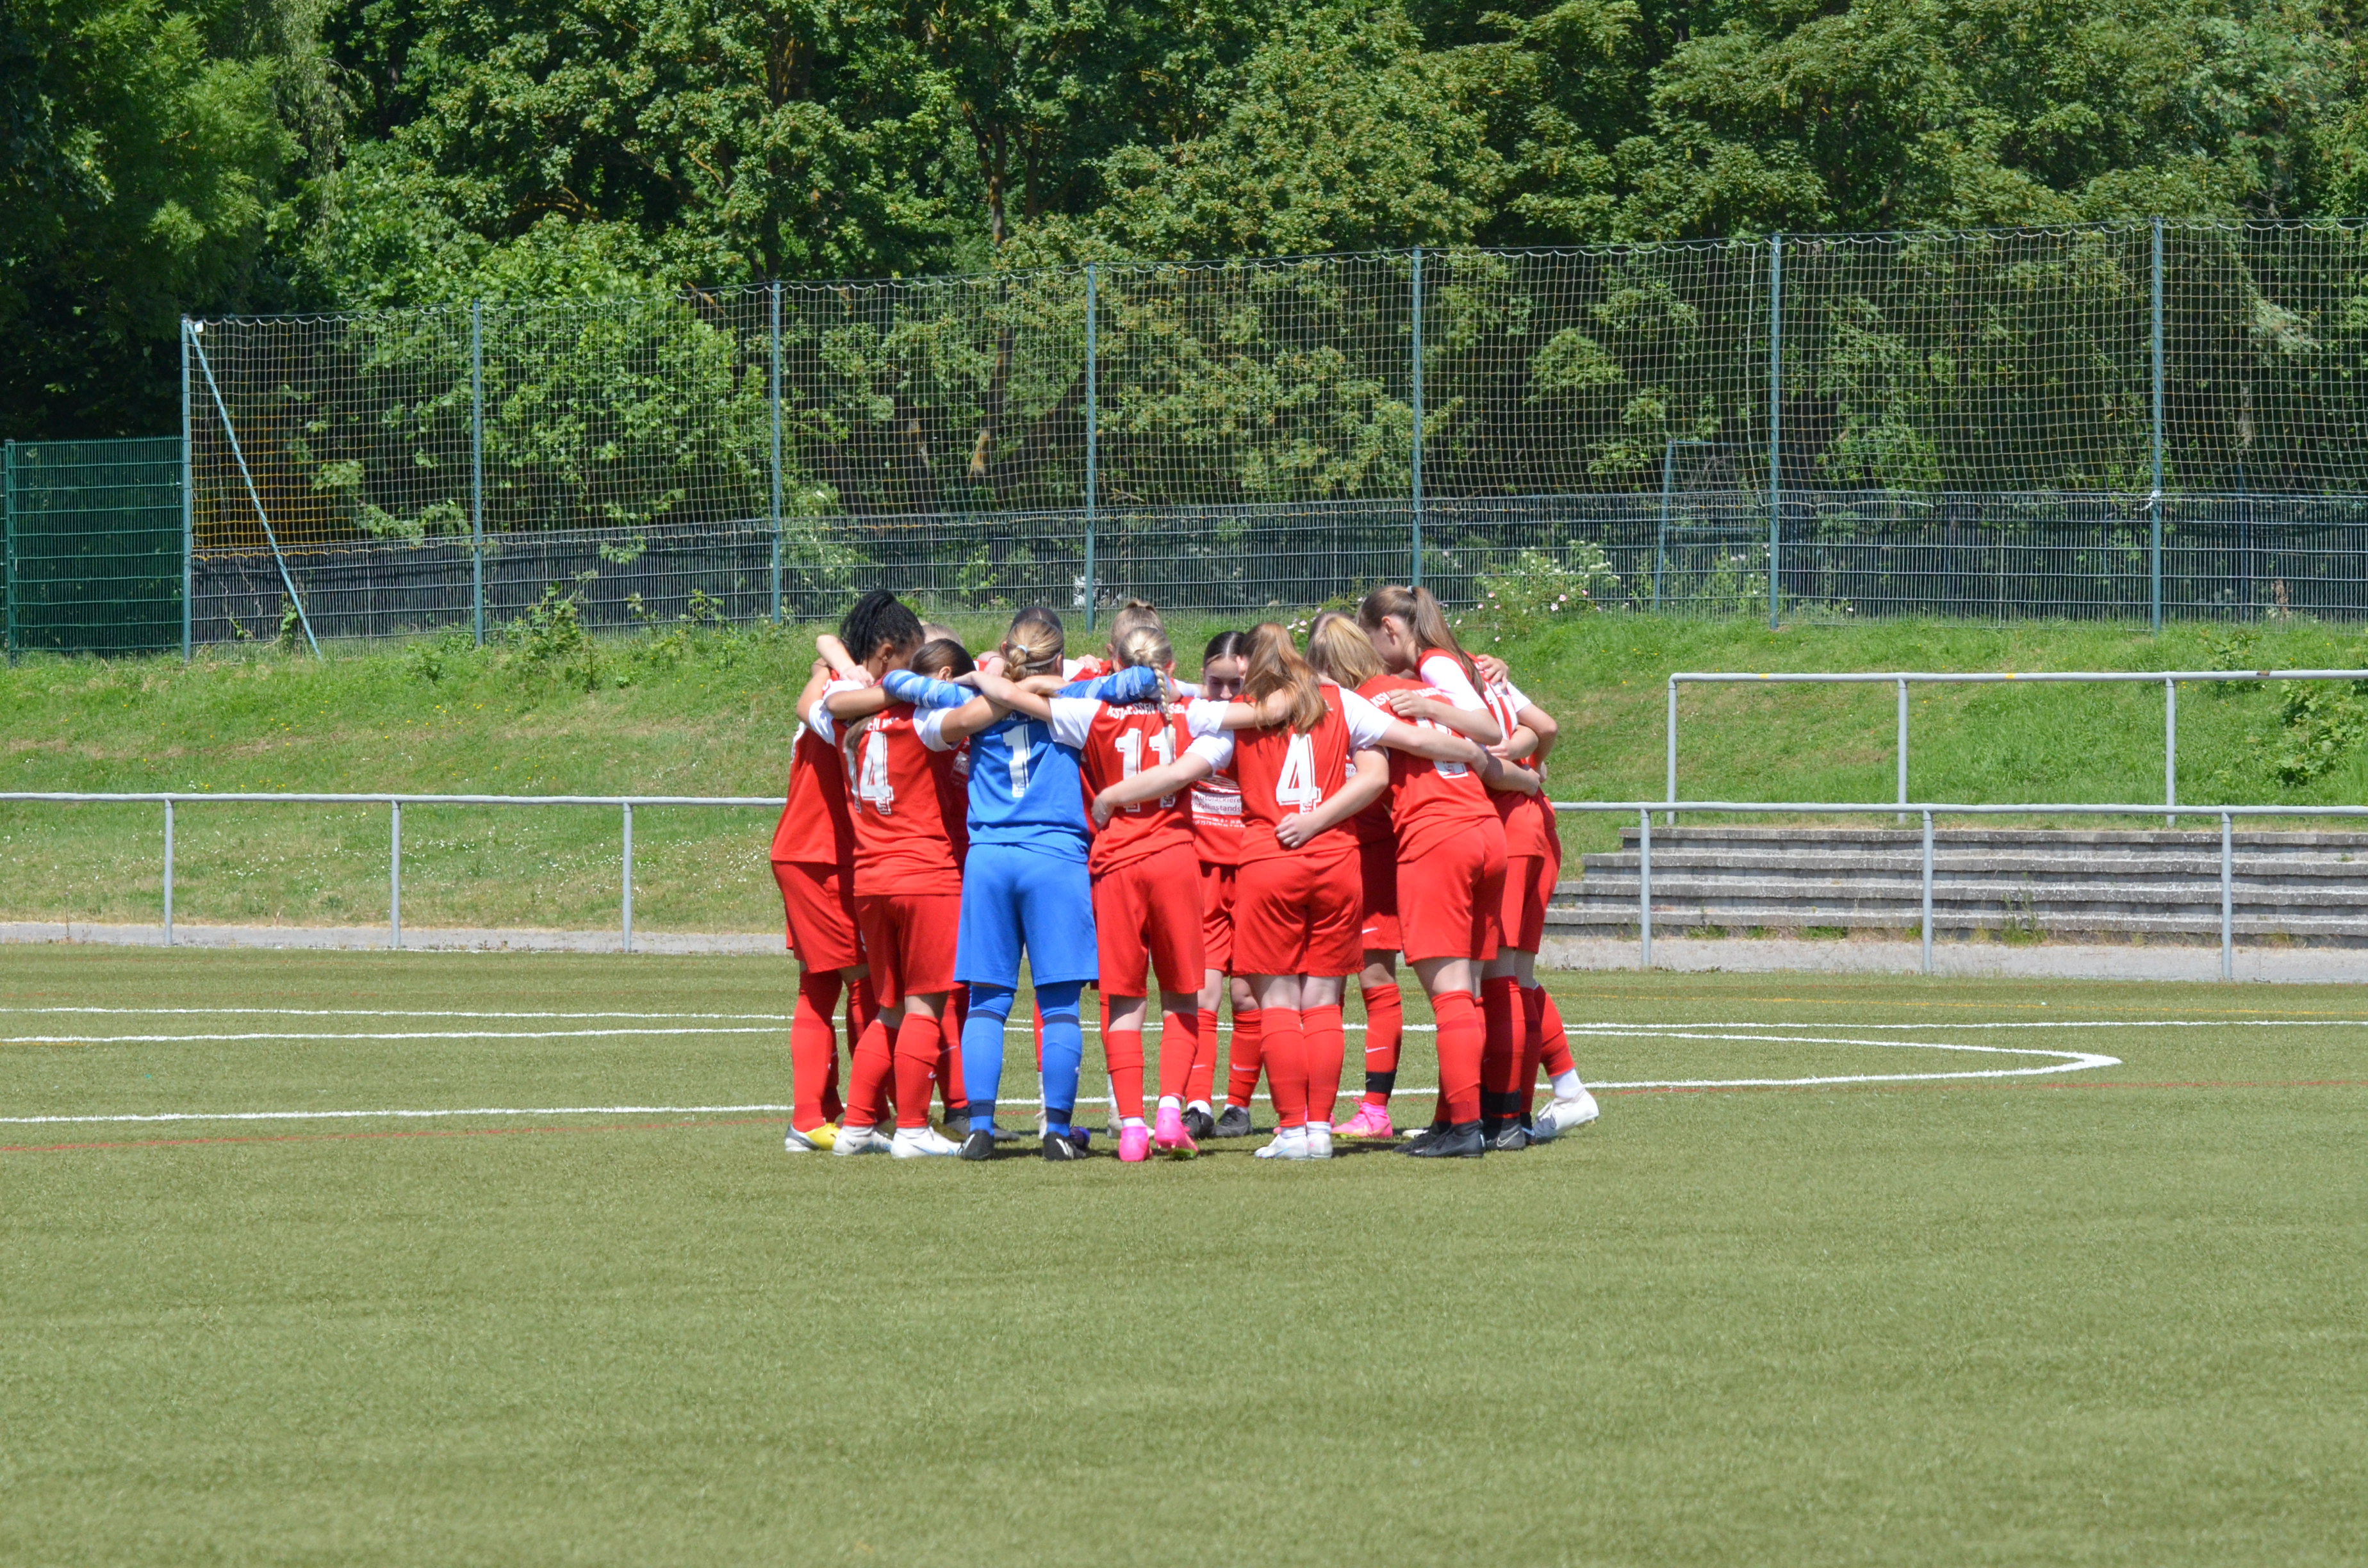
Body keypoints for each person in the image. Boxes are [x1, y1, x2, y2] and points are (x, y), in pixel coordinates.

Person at [1092, 623, 1493, 1161]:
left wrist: (1112, 796)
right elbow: (1411, 744)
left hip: (1269, 858)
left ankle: (1291, 1128)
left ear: (1249, 670)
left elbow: (1179, 766)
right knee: (1325, 1000)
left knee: (1278, 1001)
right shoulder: (1341, 701)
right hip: (1336, 860)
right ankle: (1323, 1130)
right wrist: (1474, 753)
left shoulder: (1233, 717)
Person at [881, 607, 1164, 1161]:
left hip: (989, 858)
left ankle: (981, 1130)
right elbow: (1145, 679)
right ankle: (1057, 1131)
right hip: (1055, 857)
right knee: (1058, 1005)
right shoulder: (1077, 695)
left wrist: (987, 683)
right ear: (1057, 656)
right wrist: (1046, 684)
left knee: (987, 1002)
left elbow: (895, 682)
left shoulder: (970, 702)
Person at [818, 623, 978, 1158]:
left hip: (871, 880)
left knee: (888, 1010)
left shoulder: (851, 717)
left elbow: (817, 694)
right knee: (924, 1009)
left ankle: (858, 1126)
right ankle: (911, 1127)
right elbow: (981, 711)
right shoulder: (927, 721)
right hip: (926, 876)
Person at [1070, 621, 1228, 1157]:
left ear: (1114, 665)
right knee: (1183, 995)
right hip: (1174, 859)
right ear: (1174, 669)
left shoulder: (1089, 710)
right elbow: (1257, 712)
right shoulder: (1194, 712)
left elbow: (1021, 695)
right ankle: (1169, 1112)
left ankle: (1132, 1126)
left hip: (1116, 864)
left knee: (1123, 1001)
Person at [1473, 652, 1600, 1141]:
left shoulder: (1449, 675)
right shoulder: (1476, 667)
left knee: (1499, 976)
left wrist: (1513, 767)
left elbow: (1534, 732)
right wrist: (1525, 763)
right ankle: (1552, 1097)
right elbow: (1541, 728)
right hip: (1528, 820)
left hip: (1511, 824)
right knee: (1514, 976)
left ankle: (1504, 1116)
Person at [1299, 613, 1404, 1142]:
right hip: (1335, 858)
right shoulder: (1326, 707)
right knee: (1329, 981)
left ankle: (1374, 1108)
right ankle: (1324, 1105)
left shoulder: (1373, 704)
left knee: (1370, 980)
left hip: (1369, 854)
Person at [771, 623, 875, 1153]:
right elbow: (823, 649)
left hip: (809, 852)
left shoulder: (831, 683)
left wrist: (831, 659)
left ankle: (822, 1112)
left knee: (823, 981)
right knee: (861, 980)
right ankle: (858, 1115)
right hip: (822, 856)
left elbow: (822, 646)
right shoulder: (846, 699)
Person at [1190, 632, 1260, 1140]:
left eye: (1235, 685)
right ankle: (1197, 1102)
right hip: (1201, 871)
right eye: (1215, 682)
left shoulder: (1265, 721)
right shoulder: (1189, 714)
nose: (1223, 695)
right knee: (1204, 991)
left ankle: (1239, 1104)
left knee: (1248, 994)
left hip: (1256, 868)